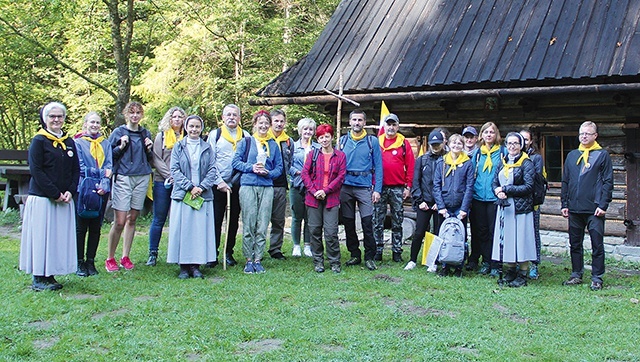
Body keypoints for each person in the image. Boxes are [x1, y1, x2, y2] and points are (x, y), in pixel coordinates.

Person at [20, 102, 80, 291]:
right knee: (41, 237)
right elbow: (36, 170)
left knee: (56, 237)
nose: (56, 120)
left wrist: (70, 190)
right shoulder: (39, 141)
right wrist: (54, 193)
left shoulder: (69, 142)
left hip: (64, 199)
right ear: (45, 119)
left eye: (59, 116)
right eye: (52, 116)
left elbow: (75, 169)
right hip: (43, 198)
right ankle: (39, 277)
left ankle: (50, 274)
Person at [561, 121, 613, 291]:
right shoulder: (572, 155)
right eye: (581, 133)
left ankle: (597, 277)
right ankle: (576, 274)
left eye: (587, 134)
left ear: (595, 136)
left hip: (594, 209)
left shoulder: (602, 155)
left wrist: (603, 204)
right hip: (574, 208)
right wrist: (564, 203)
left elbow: (607, 182)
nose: (583, 136)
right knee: (575, 244)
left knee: (597, 244)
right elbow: (566, 181)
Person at [167, 115, 218, 279]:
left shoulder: (207, 148)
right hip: (184, 194)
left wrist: (201, 187)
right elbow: (174, 170)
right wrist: (190, 187)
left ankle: (196, 265)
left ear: (201, 128)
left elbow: (212, 170)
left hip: (202, 195)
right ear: (186, 127)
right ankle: (183, 266)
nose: (194, 130)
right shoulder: (178, 147)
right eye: (191, 126)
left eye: (197, 127)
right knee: (183, 230)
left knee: (198, 231)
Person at [233, 110, 283, 274]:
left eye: (266, 123)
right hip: (248, 185)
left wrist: (269, 173)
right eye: (260, 123)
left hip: (267, 186)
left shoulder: (273, 144)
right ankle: (248, 259)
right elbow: (236, 163)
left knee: (262, 224)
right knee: (249, 223)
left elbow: (279, 168)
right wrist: (251, 168)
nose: (263, 126)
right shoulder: (245, 142)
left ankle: (258, 259)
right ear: (254, 124)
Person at [106, 101, 153, 272]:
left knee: (132, 218)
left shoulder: (145, 133)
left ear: (141, 115)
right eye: (131, 112)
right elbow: (109, 156)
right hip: (123, 177)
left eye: (138, 112)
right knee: (119, 220)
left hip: (141, 177)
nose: (135, 115)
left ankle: (125, 256)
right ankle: (110, 258)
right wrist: (120, 146)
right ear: (126, 114)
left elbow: (149, 157)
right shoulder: (119, 132)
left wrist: (149, 148)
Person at [491, 132, 536, 287]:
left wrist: (507, 189)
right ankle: (511, 270)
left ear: (521, 145)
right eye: (509, 143)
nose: (512, 146)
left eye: (515, 143)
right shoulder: (503, 162)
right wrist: (497, 190)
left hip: (521, 208)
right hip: (505, 208)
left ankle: (522, 273)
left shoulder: (526, 163)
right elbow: (495, 181)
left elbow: (529, 186)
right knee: (508, 239)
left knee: (521, 241)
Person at [340, 109, 383, 271]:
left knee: (367, 223)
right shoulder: (342, 141)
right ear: (349, 122)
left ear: (364, 122)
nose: (357, 123)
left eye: (360, 120)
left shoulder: (372, 142)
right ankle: (354, 254)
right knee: (349, 223)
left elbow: (378, 166)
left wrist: (377, 189)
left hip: (364, 187)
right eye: (354, 120)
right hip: (346, 186)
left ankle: (370, 256)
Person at [208, 104, 250, 267]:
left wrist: (234, 182)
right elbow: (210, 161)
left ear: (239, 118)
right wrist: (219, 182)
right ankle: (213, 254)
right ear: (223, 117)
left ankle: (228, 252)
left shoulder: (245, 136)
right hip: (218, 185)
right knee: (216, 220)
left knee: (233, 220)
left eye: (235, 115)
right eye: (228, 115)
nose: (232, 117)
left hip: (237, 184)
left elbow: (247, 160)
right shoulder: (215, 135)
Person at [301, 124, 346, 273]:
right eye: (321, 137)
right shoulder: (313, 155)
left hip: (331, 198)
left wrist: (325, 190)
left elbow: (340, 177)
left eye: (327, 136)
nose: (324, 139)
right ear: (318, 139)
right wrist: (314, 191)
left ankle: (334, 261)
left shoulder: (340, 156)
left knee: (331, 231)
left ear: (332, 137)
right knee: (314, 230)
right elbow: (305, 175)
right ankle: (318, 261)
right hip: (313, 198)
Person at [74, 112, 113, 277]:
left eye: (97, 122)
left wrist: (104, 185)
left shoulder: (105, 143)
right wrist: (101, 173)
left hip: (101, 190)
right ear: (85, 124)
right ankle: (79, 262)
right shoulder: (78, 143)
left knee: (96, 227)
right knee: (81, 227)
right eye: (92, 122)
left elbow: (110, 165)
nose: (95, 125)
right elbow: (80, 166)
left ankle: (91, 261)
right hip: (83, 188)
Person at [147, 106, 186, 266]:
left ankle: (180, 253)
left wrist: (180, 178)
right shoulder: (161, 136)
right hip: (163, 181)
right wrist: (171, 176)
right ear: (169, 120)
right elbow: (156, 159)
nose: (177, 119)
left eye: (180, 117)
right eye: (174, 117)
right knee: (159, 218)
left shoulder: (188, 137)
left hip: (183, 183)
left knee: (179, 219)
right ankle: (153, 253)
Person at [373, 113, 415, 262]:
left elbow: (410, 166)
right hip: (380, 187)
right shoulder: (376, 142)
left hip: (398, 187)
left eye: (393, 125)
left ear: (398, 126)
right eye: (388, 124)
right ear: (384, 126)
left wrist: (408, 186)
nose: (391, 127)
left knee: (398, 220)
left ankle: (397, 251)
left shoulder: (404, 143)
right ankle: (377, 250)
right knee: (378, 220)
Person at [404, 129, 446, 270]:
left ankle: (433, 261)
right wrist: (419, 200)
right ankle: (412, 260)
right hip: (424, 202)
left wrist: (439, 203)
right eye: (433, 144)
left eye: (438, 144)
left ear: (443, 143)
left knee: (437, 232)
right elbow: (416, 182)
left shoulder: (447, 159)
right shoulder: (422, 160)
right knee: (419, 232)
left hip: (439, 203)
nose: (435, 147)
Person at [433, 134, 474, 277]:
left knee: (460, 236)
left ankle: (458, 266)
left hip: (459, 206)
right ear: (448, 144)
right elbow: (436, 185)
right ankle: (443, 265)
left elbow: (470, 187)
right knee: (443, 235)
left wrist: (464, 208)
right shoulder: (441, 162)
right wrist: (441, 206)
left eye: (459, 143)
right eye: (454, 143)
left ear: (463, 146)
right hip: (445, 205)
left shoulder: (468, 163)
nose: (456, 145)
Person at [469, 122, 504, 275]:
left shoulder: (502, 152)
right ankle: (486, 261)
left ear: (496, 135)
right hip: (478, 197)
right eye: (486, 132)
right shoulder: (477, 154)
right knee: (481, 231)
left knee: (494, 231)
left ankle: (496, 264)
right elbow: (471, 175)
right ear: (481, 135)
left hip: (494, 198)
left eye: (492, 132)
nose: (489, 135)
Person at [289, 118, 318, 257]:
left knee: (309, 217)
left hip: (311, 187)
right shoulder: (292, 147)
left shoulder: (317, 148)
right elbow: (287, 164)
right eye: (305, 129)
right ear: (300, 130)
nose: (308, 132)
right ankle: (296, 246)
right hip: (297, 184)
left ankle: (307, 245)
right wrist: (297, 172)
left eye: (310, 129)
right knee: (296, 216)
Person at [267, 109, 294, 260]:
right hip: (264, 184)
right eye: (276, 121)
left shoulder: (288, 141)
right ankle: (255, 248)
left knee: (278, 219)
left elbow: (290, 163)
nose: (279, 124)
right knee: (262, 218)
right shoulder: (262, 138)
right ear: (270, 122)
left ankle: (275, 248)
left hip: (281, 185)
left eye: (281, 121)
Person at [520, 129, 544, 279]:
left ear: (531, 142)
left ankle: (534, 264)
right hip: (517, 202)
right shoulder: (511, 157)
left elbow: (534, 179)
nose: (523, 142)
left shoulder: (536, 158)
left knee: (533, 233)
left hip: (532, 201)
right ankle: (518, 262)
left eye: (526, 139)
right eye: (520, 139)